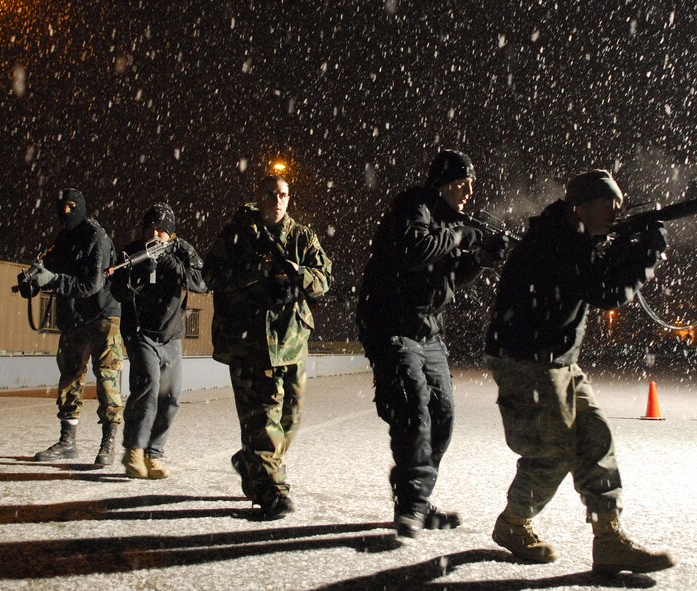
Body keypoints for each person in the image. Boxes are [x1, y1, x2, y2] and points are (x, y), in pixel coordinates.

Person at [484, 169, 675, 574]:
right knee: (552, 450)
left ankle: (609, 540)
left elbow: (597, 276)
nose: (617, 212)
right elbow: (604, 290)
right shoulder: (556, 242)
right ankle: (513, 524)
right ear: (581, 206)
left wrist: (626, 246)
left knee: (594, 436)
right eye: (610, 204)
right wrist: (644, 254)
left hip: (557, 359)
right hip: (527, 361)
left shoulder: (570, 236)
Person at [356, 149, 509, 539]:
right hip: (391, 325)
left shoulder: (446, 220)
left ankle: (418, 498)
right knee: (412, 409)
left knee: (443, 415)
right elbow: (413, 251)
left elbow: (447, 282)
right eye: (462, 182)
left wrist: (479, 259)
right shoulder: (413, 205)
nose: (470, 190)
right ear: (442, 183)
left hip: (428, 330)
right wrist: (460, 234)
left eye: (472, 183)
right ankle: (410, 507)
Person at [203, 175, 332, 519]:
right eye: (271, 194)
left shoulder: (303, 237)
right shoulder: (239, 234)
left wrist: (297, 275)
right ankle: (273, 490)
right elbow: (210, 273)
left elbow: (323, 281)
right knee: (263, 419)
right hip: (252, 343)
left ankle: (253, 464)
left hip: (292, 342)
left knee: (291, 417)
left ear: (289, 199)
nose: (277, 200)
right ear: (260, 198)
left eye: (283, 194)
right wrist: (257, 277)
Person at [20, 188, 125, 466]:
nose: (66, 211)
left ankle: (108, 442)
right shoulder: (62, 239)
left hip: (103, 316)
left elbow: (91, 285)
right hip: (75, 318)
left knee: (107, 379)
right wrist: (32, 282)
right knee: (70, 378)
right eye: (61, 206)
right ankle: (68, 441)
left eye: (71, 206)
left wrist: (52, 279)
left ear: (81, 207)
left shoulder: (96, 237)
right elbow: (50, 272)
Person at [109, 203, 207, 479]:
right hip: (140, 332)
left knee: (171, 396)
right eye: (150, 228)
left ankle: (154, 453)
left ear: (171, 234)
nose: (154, 233)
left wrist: (171, 262)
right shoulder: (131, 251)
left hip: (171, 335)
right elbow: (116, 289)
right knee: (147, 387)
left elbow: (202, 281)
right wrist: (139, 272)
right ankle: (134, 451)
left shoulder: (182, 251)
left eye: (161, 230)